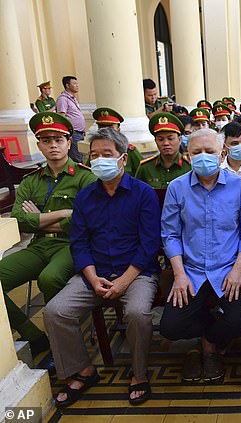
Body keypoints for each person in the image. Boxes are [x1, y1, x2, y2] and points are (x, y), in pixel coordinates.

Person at [44, 128, 161, 407]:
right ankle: (83, 369)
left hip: (137, 273)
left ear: (122, 157)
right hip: (94, 273)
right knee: (55, 310)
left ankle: (139, 373)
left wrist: (123, 281)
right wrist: (93, 278)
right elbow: (79, 243)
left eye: (106, 154)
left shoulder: (143, 194)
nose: (99, 160)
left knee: (137, 313)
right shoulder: (85, 197)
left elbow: (150, 244)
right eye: (94, 155)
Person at [160, 128, 241, 382]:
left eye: (210, 152)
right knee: (170, 327)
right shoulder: (177, 188)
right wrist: (179, 275)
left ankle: (209, 340)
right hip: (190, 270)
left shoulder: (240, 187)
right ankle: (208, 328)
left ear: (222, 153)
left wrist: (238, 270)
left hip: (228, 268)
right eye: (197, 152)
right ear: (188, 155)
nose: (203, 157)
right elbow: (170, 235)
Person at [0, 112, 95, 364]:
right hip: (39, 244)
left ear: (68, 142)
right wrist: (65, 212)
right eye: (46, 140)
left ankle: (59, 343)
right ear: (39, 144)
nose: (53, 145)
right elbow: (19, 218)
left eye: (58, 139)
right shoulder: (32, 180)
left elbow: (85, 220)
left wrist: (42, 217)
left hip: (71, 244)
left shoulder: (85, 177)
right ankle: (32, 334)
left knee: (50, 278)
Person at [135, 113, 191, 188]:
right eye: (160, 139)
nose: (166, 143)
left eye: (170, 138)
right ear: (155, 141)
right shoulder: (146, 167)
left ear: (180, 139)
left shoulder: (190, 166)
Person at [92, 107, 143, 175]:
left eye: (110, 128)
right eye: (102, 127)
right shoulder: (94, 151)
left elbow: (143, 172)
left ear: (118, 130)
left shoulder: (130, 151)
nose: (106, 132)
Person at [55, 76, 85, 163]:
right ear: (67, 85)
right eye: (74, 84)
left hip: (79, 132)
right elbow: (61, 117)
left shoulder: (73, 98)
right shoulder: (63, 99)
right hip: (73, 133)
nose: (77, 86)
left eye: (77, 83)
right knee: (76, 157)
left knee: (79, 155)